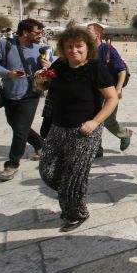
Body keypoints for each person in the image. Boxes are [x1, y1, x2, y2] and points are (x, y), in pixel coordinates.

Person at [36, 25, 118, 232]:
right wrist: (40, 80)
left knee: (74, 176)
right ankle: (70, 192)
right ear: (63, 49)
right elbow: (46, 88)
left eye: (78, 46)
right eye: (69, 47)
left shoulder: (95, 69)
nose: (74, 51)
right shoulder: (60, 65)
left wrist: (95, 122)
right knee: (47, 170)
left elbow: (111, 98)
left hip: (85, 131)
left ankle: (76, 213)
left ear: (87, 47)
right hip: (58, 127)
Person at [0, 18, 49, 182]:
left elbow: (49, 72)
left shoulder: (40, 48)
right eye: (37, 32)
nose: (40, 35)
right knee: (17, 126)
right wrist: (7, 74)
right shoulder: (5, 44)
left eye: (41, 32)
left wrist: (47, 67)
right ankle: (41, 145)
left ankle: (12, 164)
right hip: (10, 93)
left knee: (20, 130)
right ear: (25, 32)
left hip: (31, 94)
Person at [86, 22, 133, 156]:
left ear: (97, 35)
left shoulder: (108, 49)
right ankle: (97, 148)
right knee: (93, 118)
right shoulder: (86, 50)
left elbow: (121, 70)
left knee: (108, 120)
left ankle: (125, 134)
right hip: (92, 92)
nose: (85, 33)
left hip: (109, 92)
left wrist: (118, 89)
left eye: (88, 31)